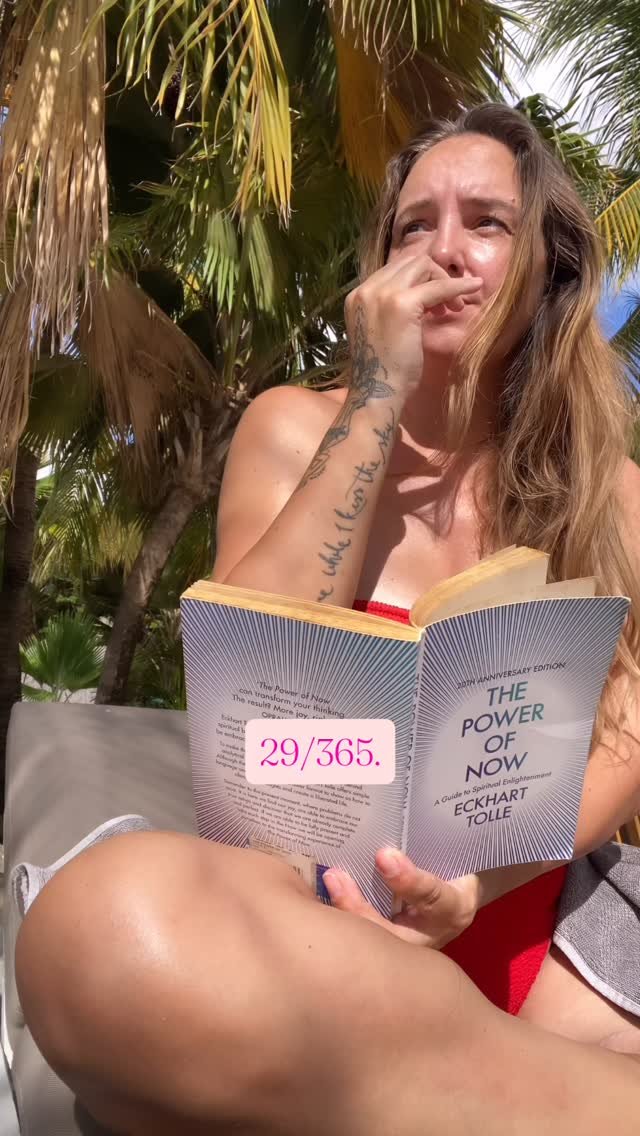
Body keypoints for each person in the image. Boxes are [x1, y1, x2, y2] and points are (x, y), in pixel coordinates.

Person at [14, 103, 640, 1135]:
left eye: (486, 223)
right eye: (413, 226)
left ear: (548, 271)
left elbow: (621, 737)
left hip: (519, 913)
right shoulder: (294, 428)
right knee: (95, 929)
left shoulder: (611, 493)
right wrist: (376, 393)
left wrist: (472, 882)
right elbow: (251, 687)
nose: (443, 251)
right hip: (301, 920)